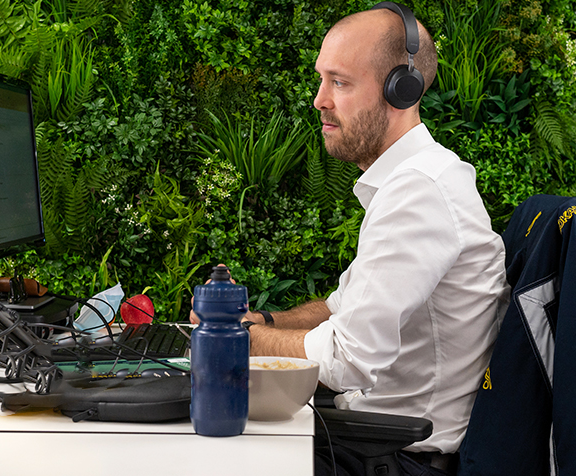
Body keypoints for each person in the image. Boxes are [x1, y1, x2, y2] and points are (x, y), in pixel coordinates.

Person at [190, 4, 508, 476]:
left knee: (196, 454)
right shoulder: (413, 181)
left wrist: (236, 339)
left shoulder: (419, 192)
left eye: (339, 82)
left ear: (402, 90)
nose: (319, 99)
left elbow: (348, 359)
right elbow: (343, 307)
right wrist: (266, 320)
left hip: (398, 456)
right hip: (374, 439)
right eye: (322, 80)